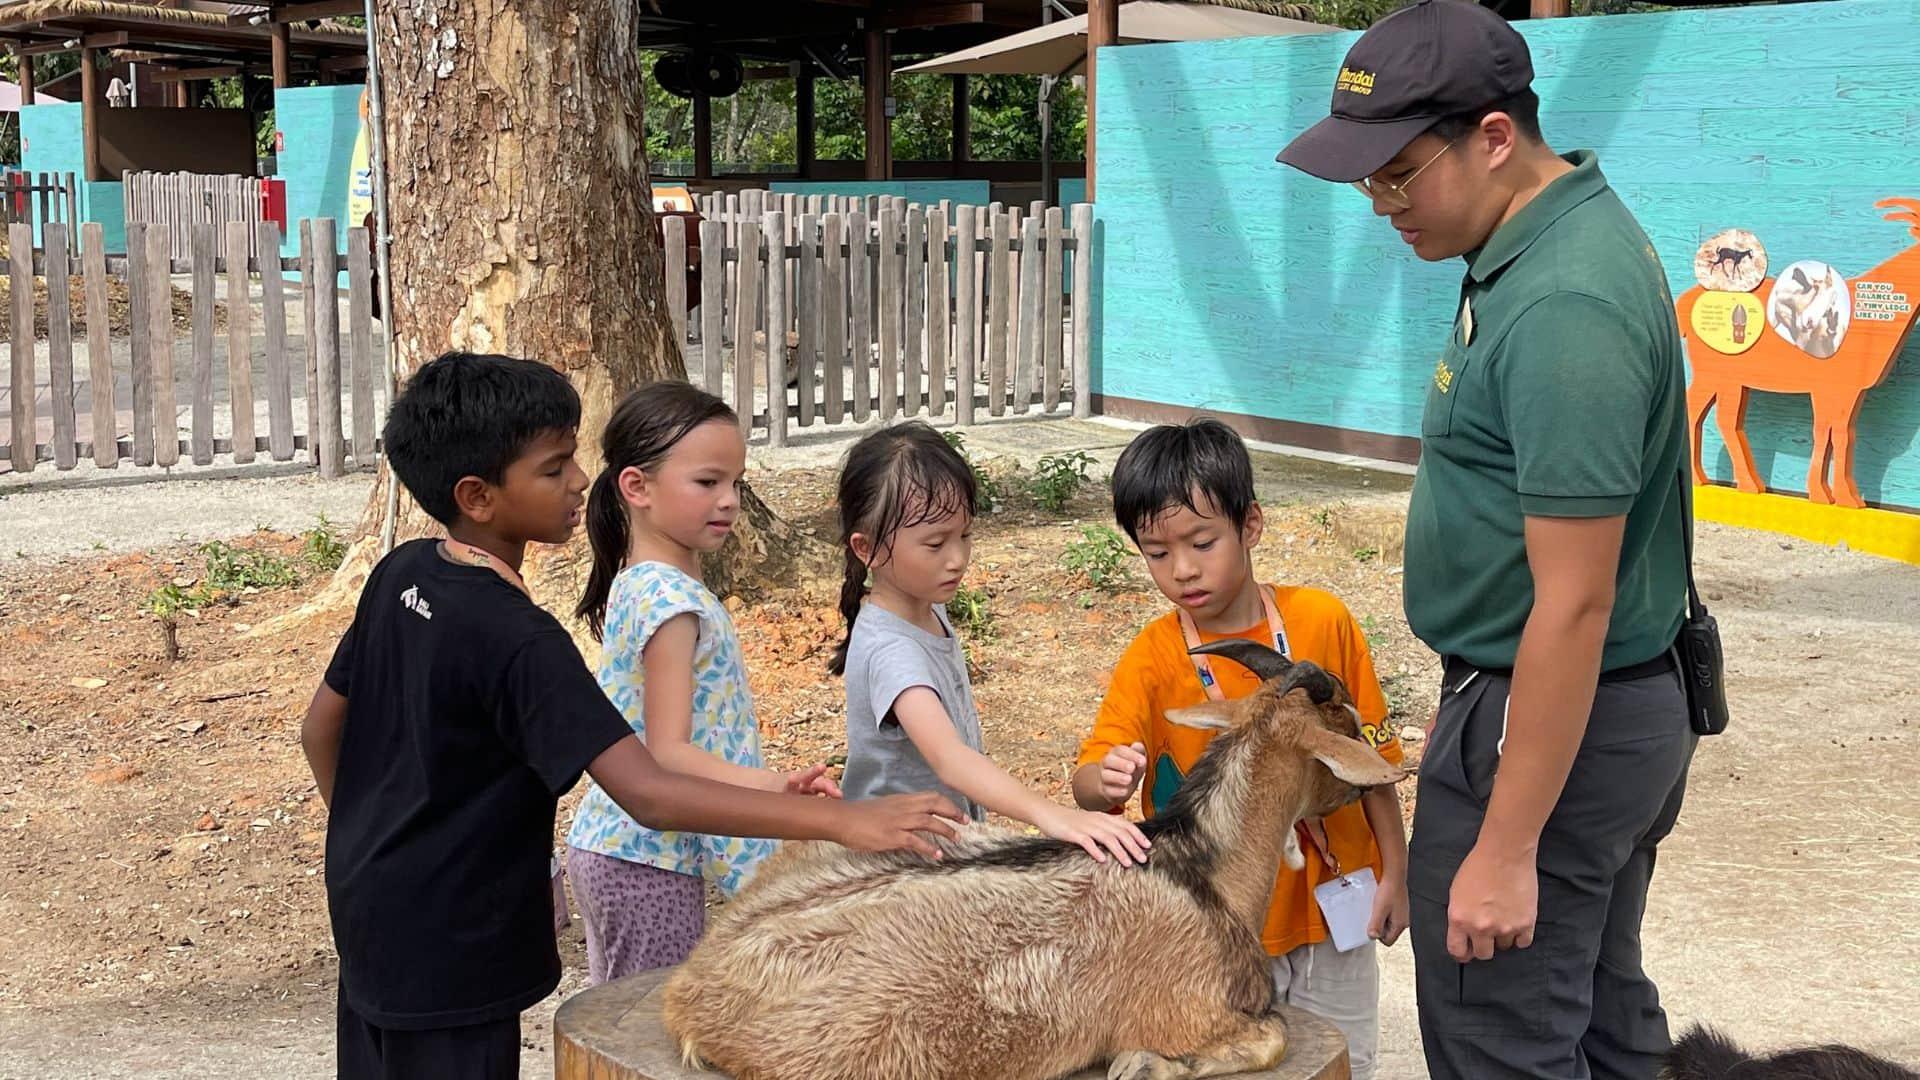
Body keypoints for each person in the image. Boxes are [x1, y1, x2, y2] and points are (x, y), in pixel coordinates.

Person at [300, 353, 962, 1080]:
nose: (581, 481)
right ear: (479, 496)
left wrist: (369, 849)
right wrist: (845, 822)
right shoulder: (520, 639)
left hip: (368, 906)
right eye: (554, 469)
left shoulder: (405, 571)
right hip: (453, 944)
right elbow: (647, 790)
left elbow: (319, 728)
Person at [1277, 3, 1697, 1078]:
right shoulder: (1533, 240)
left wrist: (1507, 848)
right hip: (1580, 709)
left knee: (1502, 1040)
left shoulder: (1565, 303)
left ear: (1495, 136)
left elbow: (1574, 602)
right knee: (1597, 1021)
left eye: (1397, 174)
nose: (1379, 203)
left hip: (1550, 719)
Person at [1069, 418, 1407, 1080]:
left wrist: (1397, 870)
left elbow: (1374, 761)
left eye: (1202, 541)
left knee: (1342, 1061)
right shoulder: (1153, 657)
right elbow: (1089, 775)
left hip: (1332, 912)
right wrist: (1104, 781)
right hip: (1211, 927)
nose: (1183, 569)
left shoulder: (1323, 621)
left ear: (1250, 524)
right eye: (1157, 553)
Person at [563, 382, 841, 985]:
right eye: (707, 482)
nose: (729, 501)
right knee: (639, 1035)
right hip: (644, 858)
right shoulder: (669, 600)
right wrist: (772, 787)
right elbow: (669, 752)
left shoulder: (642, 581)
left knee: (619, 1022)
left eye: (735, 483)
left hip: (629, 851)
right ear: (636, 487)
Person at [829, 421, 1150, 865]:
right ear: (868, 550)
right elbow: (949, 759)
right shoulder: (892, 650)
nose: (957, 558)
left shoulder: (922, 603)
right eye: (936, 543)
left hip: (936, 841)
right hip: (900, 859)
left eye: (965, 535)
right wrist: (1052, 815)